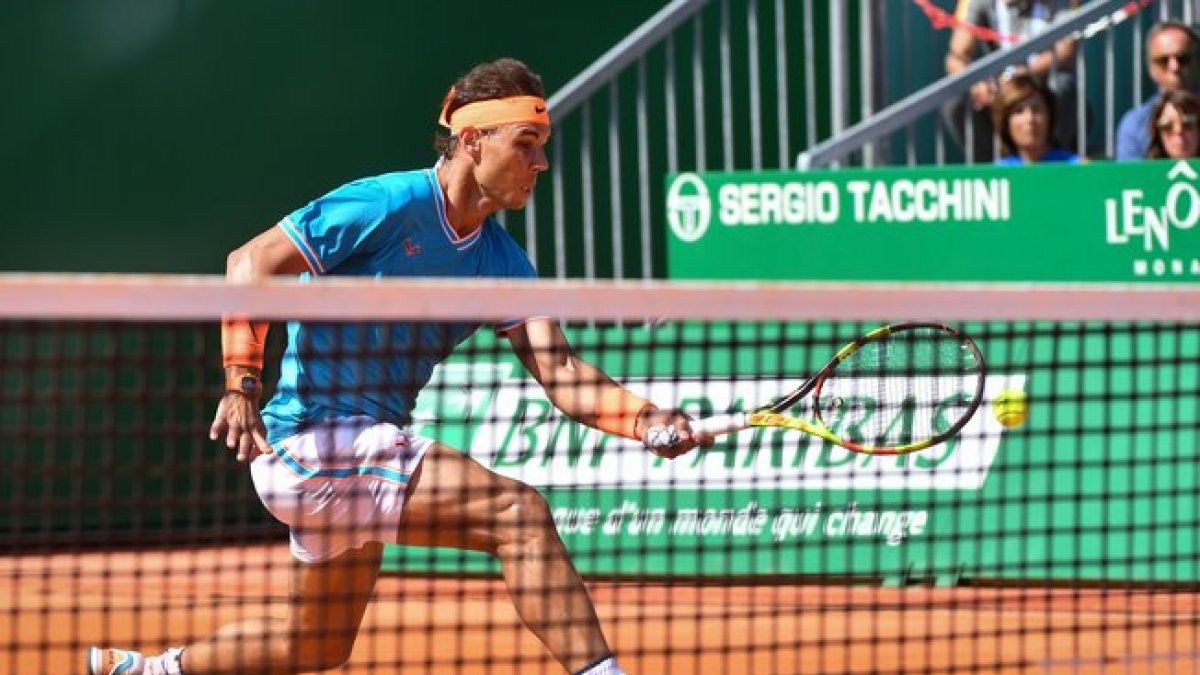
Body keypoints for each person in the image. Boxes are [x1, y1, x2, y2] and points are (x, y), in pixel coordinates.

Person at [86, 57, 705, 675]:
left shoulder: (503, 262)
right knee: (519, 515)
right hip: (312, 441)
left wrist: (644, 418)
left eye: (542, 146)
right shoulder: (386, 202)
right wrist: (240, 384)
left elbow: (561, 371)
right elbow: (251, 262)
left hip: (359, 454)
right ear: (472, 140)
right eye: (526, 144)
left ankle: (144, 672)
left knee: (315, 645)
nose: (540, 163)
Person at [942, 0, 1081, 163]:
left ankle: (1057, 163)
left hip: (1042, 86)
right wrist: (976, 84)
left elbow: (1065, 51)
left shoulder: (1057, 4)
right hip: (1000, 92)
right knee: (956, 101)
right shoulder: (982, 3)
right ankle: (991, 169)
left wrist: (1021, 74)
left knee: (1061, 86)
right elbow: (956, 56)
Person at [1116, 20, 1199, 160]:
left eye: (1182, 58)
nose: (1174, 67)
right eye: (1163, 61)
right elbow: (1130, 173)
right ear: (1151, 68)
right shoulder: (1134, 125)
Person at [993, 73, 1081, 164]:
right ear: (1006, 122)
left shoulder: (1079, 167)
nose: (1030, 119)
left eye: (1036, 110)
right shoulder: (998, 171)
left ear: (1049, 116)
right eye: (1019, 111)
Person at [1146, 89, 1200, 159]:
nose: (1178, 131)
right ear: (1158, 134)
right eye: (1167, 127)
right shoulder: (1145, 166)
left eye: (1187, 125)